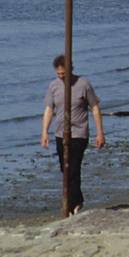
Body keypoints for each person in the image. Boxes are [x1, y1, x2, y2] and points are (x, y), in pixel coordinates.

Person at [41, 55, 104, 216]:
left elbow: (95, 108)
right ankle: (78, 200)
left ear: (71, 69)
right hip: (60, 133)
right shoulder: (54, 86)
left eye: (64, 73)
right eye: (58, 74)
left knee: (74, 168)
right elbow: (49, 110)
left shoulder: (83, 85)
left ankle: (71, 206)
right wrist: (44, 133)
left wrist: (100, 133)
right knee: (65, 168)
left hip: (79, 133)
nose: (61, 76)